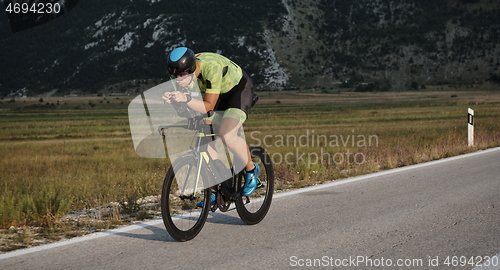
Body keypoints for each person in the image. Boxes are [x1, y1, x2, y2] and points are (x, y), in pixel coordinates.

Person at [162, 47, 259, 206]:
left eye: (181, 76)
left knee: (227, 134)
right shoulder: (177, 73)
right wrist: (174, 101)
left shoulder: (211, 67)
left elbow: (208, 106)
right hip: (213, 94)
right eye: (174, 76)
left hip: (237, 91)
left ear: (192, 69)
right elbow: (186, 108)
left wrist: (185, 99)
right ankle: (215, 190)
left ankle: (251, 170)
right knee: (204, 142)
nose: (177, 80)